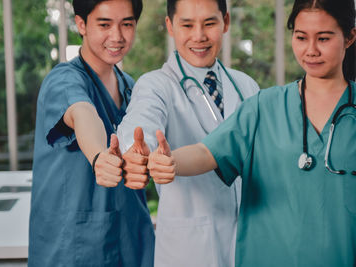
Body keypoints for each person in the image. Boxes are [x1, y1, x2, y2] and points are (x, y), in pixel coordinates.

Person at [148, 0, 356, 265]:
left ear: (349, 37)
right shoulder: (263, 106)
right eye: (301, 37)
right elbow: (206, 152)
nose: (311, 50)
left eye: (324, 38)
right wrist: (171, 161)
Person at [117, 0, 259, 266]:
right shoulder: (157, 85)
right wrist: (137, 152)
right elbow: (141, 120)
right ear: (170, 26)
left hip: (246, 245)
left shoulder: (245, 86)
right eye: (187, 24)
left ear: (225, 22)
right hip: (189, 251)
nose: (199, 36)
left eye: (209, 23)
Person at [28, 0, 154, 266]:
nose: (117, 36)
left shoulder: (130, 87)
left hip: (131, 242)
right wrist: (99, 156)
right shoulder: (63, 80)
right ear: (81, 24)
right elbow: (84, 115)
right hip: (75, 249)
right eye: (105, 24)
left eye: (127, 24)